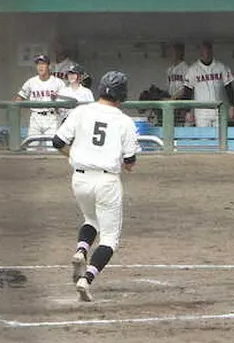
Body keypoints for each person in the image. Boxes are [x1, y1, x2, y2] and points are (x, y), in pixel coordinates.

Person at [53, 70, 139, 303]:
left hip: (79, 179)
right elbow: (130, 163)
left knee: (91, 220)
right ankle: (86, 279)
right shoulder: (124, 121)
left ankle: (81, 249)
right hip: (106, 181)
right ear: (122, 95)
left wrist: (75, 157)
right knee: (109, 239)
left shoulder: (81, 111)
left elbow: (57, 142)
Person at [179, 41, 234, 128]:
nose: (206, 54)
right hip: (201, 111)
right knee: (204, 139)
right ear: (200, 52)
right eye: (203, 51)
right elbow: (187, 91)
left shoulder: (221, 67)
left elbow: (229, 87)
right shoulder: (193, 69)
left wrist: (232, 105)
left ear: (211, 51)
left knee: (219, 138)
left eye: (208, 51)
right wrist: (187, 111)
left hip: (218, 110)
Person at [16, 54, 63, 149]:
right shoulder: (31, 82)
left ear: (49, 66)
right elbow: (19, 99)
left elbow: (64, 104)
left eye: (43, 64)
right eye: (38, 64)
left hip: (52, 117)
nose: (40, 66)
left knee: (52, 149)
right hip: (36, 117)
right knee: (31, 148)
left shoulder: (58, 82)